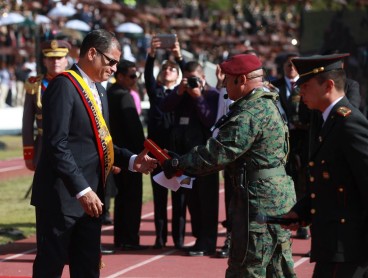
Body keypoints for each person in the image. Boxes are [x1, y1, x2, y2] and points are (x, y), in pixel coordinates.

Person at [30, 29, 157, 278]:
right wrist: (82, 189)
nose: (113, 68)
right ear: (92, 53)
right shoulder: (63, 85)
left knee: (88, 268)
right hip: (63, 198)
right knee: (50, 267)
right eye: (111, 61)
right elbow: (57, 143)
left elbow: (100, 142)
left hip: (92, 198)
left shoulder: (100, 90)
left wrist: (131, 160)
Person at [162, 54, 296, 277]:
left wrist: (179, 163)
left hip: (258, 203)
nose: (223, 85)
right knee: (277, 268)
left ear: (242, 79)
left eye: (227, 79)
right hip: (275, 198)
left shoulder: (250, 113)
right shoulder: (268, 101)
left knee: (247, 268)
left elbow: (218, 153)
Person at [282, 53, 368, 278]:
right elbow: (330, 183)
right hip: (331, 246)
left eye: (307, 85)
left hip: (349, 249)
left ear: (328, 85)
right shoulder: (326, 121)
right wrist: (301, 211)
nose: (301, 92)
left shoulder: (350, 124)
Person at [161, 61, 220, 257]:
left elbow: (210, 120)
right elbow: (164, 107)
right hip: (185, 156)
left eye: (194, 79)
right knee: (192, 200)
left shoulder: (211, 95)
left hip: (206, 157)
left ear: (203, 78)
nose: (191, 83)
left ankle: (208, 241)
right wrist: (179, 91)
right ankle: (198, 239)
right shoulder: (181, 94)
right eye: (187, 79)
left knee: (207, 200)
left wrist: (198, 97)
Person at [144, 35, 186, 249]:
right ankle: (160, 238)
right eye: (165, 69)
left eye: (172, 69)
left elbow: (188, 74)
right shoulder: (156, 92)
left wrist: (178, 57)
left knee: (179, 199)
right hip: (157, 153)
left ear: (178, 75)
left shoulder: (183, 94)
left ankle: (179, 240)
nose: (168, 70)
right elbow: (147, 78)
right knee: (159, 198)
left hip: (177, 152)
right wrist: (152, 55)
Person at [107, 59, 147, 250]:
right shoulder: (124, 96)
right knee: (131, 198)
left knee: (121, 199)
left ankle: (120, 238)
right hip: (130, 155)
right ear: (120, 76)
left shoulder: (108, 94)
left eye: (136, 75)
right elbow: (134, 129)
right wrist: (144, 150)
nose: (134, 79)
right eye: (131, 75)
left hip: (114, 153)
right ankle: (130, 239)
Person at [272, 52, 311, 240]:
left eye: (295, 64)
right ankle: (284, 218)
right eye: (288, 64)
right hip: (282, 142)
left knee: (303, 179)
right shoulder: (275, 86)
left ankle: (303, 222)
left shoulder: (308, 85)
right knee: (285, 180)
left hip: (303, 140)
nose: (291, 67)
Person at [22, 39, 70, 172]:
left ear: (66, 60)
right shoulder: (34, 85)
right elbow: (27, 122)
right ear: (44, 61)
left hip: (70, 144)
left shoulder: (76, 83)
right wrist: (29, 154)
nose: (55, 61)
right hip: (43, 146)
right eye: (50, 58)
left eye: (59, 57)